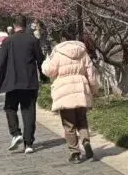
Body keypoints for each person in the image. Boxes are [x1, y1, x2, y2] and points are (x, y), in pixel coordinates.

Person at [41, 28, 98, 164]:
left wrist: (46, 60)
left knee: (69, 124)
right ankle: (85, 141)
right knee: (82, 120)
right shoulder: (83, 51)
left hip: (64, 91)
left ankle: (75, 153)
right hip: (80, 89)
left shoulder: (57, 52)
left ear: (62, 39)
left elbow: (49, 71)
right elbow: (91, 73)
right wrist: (94, 90)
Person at [0, 15, 43, 154]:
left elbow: (0, 63)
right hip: (29, 82)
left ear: (14, 26)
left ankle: (16, 133)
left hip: (12, 82)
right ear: (25, 25)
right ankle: (29, 143)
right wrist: (43, 76)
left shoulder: (8, 41)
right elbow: (40, 59)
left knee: (10, 108)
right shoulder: (32, 40)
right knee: (29, 112)